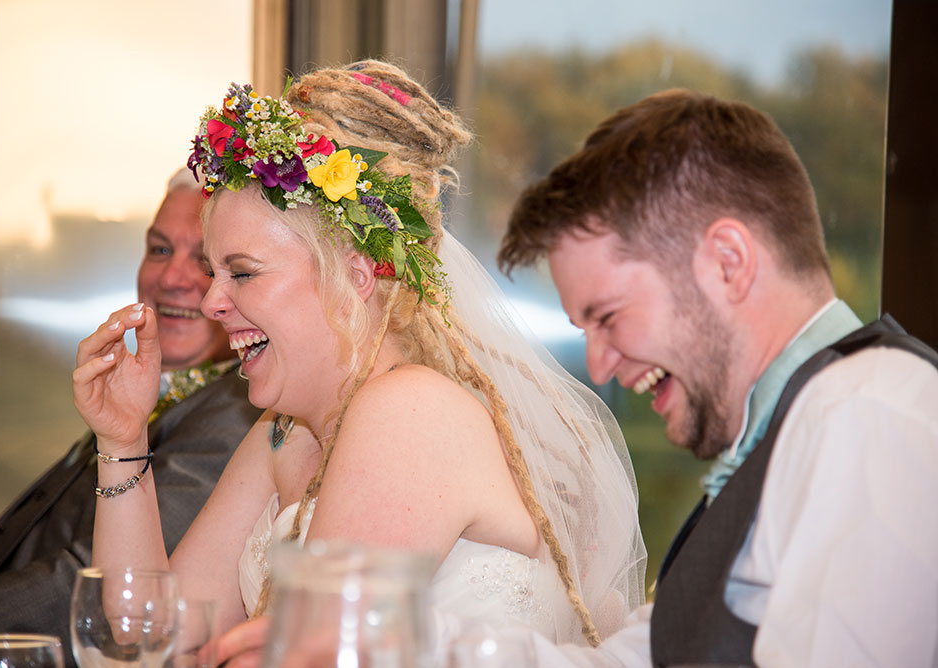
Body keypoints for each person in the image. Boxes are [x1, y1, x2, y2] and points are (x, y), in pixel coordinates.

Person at [72, 60, 647, 664]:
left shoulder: (408, 412)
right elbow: (145, 643)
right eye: (214, 274)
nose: (214, 302)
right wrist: (122, 439)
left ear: (354, 274)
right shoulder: (283, 436)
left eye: (242, 273)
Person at [466, 88, 938, 666]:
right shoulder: (807, 424)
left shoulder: (868, 415)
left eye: (608, 317)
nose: (599, 366)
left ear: (727, 263)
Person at [0, 169, 263, 663]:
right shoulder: (146, 390)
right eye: (159, 250)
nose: (173, 278)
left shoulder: (241, 417)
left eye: (204, 262)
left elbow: (91, 587)